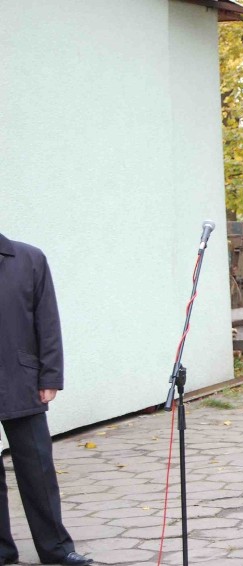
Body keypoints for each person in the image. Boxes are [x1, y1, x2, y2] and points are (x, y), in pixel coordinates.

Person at [0, 234, 93, 566]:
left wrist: (50, 375)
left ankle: (56, 549)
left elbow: (47, 320)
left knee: (37, 467)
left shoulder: (28, 259)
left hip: (20, 378)